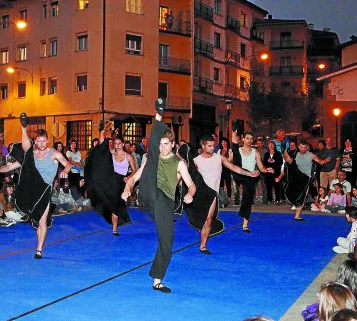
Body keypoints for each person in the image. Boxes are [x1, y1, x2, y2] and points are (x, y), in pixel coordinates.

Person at [121, 99, 196, 293]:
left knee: (166, 244)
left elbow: (191, 185)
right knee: (151, 158)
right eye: (160, 144)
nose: (163, 148)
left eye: (166, 144)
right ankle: (159, 114)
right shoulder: (152, 159)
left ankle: (157, 279)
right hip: (149, 192)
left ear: (172, 145)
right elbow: (133, 177)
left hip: (164, 203)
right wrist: (128, 188)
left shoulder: (180, 164)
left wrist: (189, 194)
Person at [0, 112, 71, 259]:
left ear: (47, 140)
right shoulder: (32, 155)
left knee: (42, 220)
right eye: (39, 141)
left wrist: (65, 171)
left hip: (44, 189)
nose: (41, 144)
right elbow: (10, 167)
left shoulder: (53, 153)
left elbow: (67, 164)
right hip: (30, 186)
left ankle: (39, 249)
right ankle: (24, 127)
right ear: (35, 141)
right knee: (27, 154)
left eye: (44, 141)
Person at [188, 134, 258, 254]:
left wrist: (249, 173)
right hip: (200, 194)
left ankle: (202, 246)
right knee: (201, 219)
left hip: (212, 194)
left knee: (209, 219)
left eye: (213, 145)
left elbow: (234, 167)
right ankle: (202, 235)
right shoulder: (196, 161)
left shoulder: (219, 158)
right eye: (209, 146)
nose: (212, 148)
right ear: (203, 145)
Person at [85, 121, 137, 235]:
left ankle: (115, 225)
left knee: (117, 204)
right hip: (111, 181)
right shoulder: (112, 154)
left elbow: (135, 170)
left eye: (119, 143)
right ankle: (114, 229)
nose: (117, 145)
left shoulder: (129, 156)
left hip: (122, 182)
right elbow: (102, 145)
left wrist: (129, 177)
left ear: (123, 144)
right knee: (114, 204)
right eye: (115, 143)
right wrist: (102, 131)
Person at [231, 131, 274, 232]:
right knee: (235, 151)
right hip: (239, 173)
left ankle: (245, 225)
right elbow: (228, 161)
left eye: (251, 139)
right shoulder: (237, 151)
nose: (249, 141)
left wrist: (267, 169)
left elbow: (261, 167)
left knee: (248, 198)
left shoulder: (256, 152)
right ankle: (233, 133)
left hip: (250, 176)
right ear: (243, 139)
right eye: (247, 138)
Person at [283, 140, 327, 221]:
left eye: (305, 148)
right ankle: (295, 206)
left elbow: (320, 162)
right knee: (291, 193)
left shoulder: (311, 155)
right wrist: (284, 151)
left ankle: (297, 216)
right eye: (301, 147)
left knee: (302, 197)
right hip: (296, 177)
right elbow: (289, 161)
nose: (303, 149)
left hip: (306, 178)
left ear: (307, 147)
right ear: (299, 147)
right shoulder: (296, 154)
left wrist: (324, 161)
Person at [263, 140, 284, 205]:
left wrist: (274, 161)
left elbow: (281, 162)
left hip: (276, 173)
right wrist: (268, 161)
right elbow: (264, 163)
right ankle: (269, 200)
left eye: (272, 145)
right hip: (268, 173)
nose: (271, 146)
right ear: (268, 146)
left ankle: (278, 200)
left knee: (277, 187)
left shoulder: (278, 153)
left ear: (274, 146)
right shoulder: (266, 154)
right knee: (268, 187)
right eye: (270, 145)